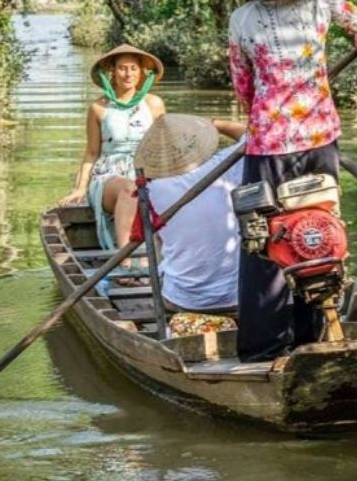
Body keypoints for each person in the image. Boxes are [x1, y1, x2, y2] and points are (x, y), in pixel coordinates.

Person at [221, 0, 357, 361]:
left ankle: (262, 349)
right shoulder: (325, 3)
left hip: (268, 145)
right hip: (318, 140)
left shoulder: (243, 20)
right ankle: (311, 337)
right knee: (316, 234)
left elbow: (243, 86)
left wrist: (265, 109)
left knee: (264, 241)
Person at [130, 114, 247, 313]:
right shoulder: (225, 164)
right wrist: (216, 123)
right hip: (240, 295)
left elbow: (155, 242)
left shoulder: (150, 188)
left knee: (161, 247)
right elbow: (252, 135)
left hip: (183, 300)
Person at [59, 44, 166, 251]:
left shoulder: (154, 104)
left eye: (133, 68)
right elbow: (91, 153)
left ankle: (160, 260)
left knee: (153, 190)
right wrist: (80, 188)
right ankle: (125, 261)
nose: (128, 74)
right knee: (130, 189)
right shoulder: (99, 108)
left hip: (147, 171)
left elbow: (163, 148)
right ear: (112, 72)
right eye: (122, 68)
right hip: (109, 175)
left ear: (141, 72)